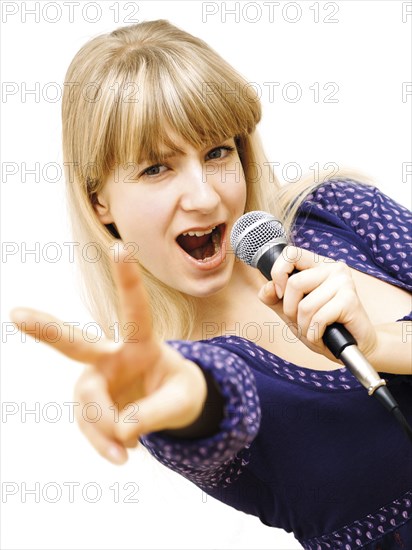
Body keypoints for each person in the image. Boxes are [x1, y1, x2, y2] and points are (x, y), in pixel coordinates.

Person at [10, 20, 411, 550]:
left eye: (217, 152)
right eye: (156, 168)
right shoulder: (167, 373)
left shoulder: (337, 211)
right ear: (99, 200)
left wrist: (379, 344)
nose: (204, 197)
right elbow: (209, 400)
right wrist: (188, 397)